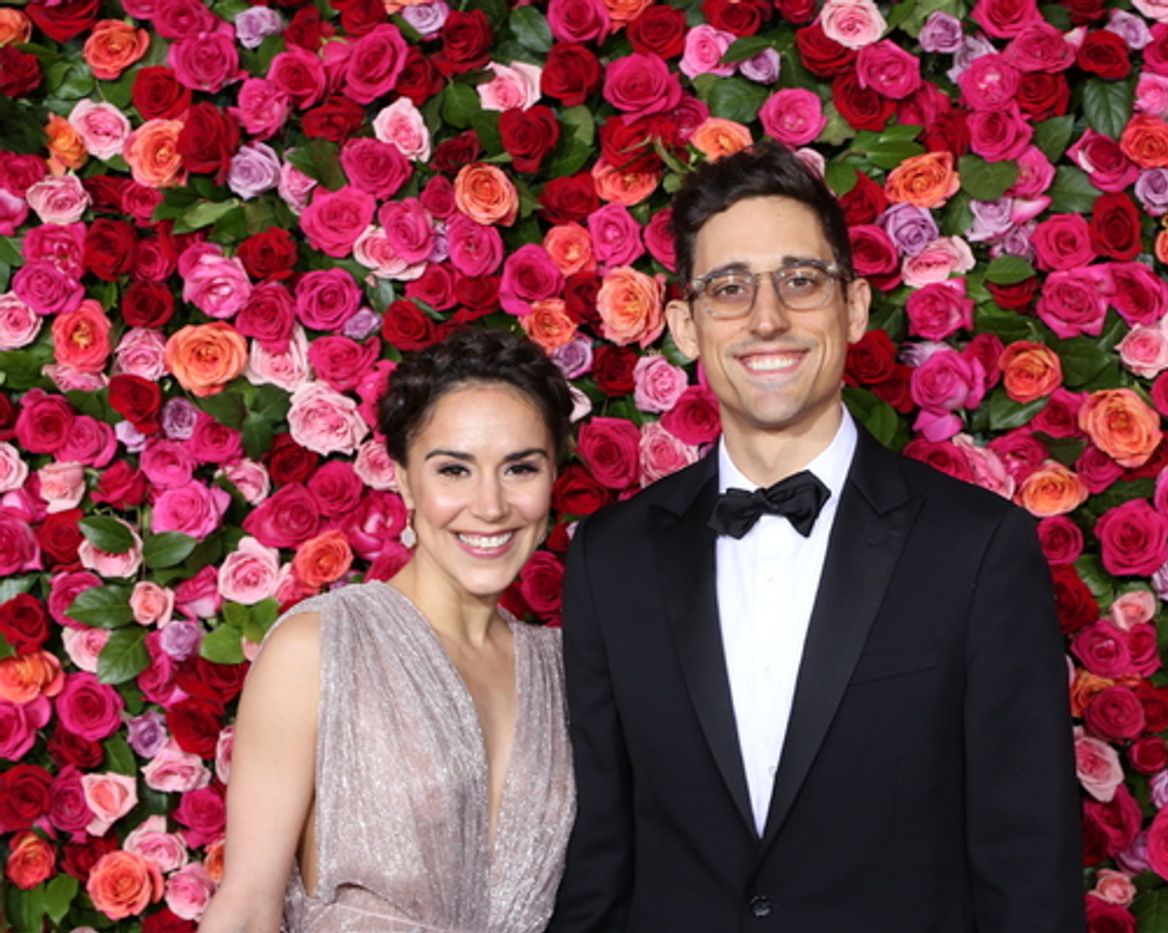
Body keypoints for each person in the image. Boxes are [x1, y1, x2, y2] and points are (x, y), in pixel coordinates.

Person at [548, 143, 1083, 933]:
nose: (767, 317)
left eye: (800, 280)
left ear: (855, 308)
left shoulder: (977, 550)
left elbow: (1029, 871)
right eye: (729, 288)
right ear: (688, 326)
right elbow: (599, 859)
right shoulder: (608, 559)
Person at [201, 328, 576, 933]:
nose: (489, 505)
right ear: (403, 479)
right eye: (453, 470)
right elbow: (246, 910)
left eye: (520, 468)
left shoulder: (565, 670)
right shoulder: (319, 648)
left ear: (553, 478)